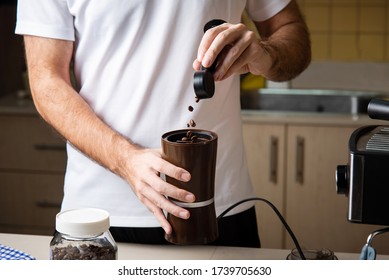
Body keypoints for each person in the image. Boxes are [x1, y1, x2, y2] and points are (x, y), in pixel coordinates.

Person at [15, 0, 310, 247]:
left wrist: (264, 54)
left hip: (219, 208)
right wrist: (125, 160)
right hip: (100, 215)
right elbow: (46, 81)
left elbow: (291, 33)